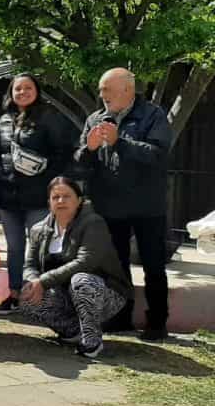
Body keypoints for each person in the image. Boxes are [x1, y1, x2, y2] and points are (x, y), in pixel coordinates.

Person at [73, 68, 172, 340]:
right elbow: (79, 163)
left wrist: (121, 143)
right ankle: (120, 317)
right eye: (101, 89)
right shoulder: (95, 118)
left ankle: (157, 323)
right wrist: (88, 150)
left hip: (147, 206)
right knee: (116, 267)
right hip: (109, 206)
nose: (101, 94)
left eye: (106, 89)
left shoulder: (152, 115)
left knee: (153, 265)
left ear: (127, 90)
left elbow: (158, 155)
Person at [17, 176, 132, 359]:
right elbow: (30, 265)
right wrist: (33, 282)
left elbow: (86, 261)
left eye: (67, 196)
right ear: (49, 202)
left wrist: (43, 281)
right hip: (63, 294)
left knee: (81, 280)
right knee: (26, 297)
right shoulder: (38, 229)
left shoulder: (93, 223)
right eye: (55, 197)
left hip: (104, 292)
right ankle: (73, 332)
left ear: (79, 200)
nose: (61, 201)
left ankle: (92, 341)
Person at [0, 73, 75, 313]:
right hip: (8, 196)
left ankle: (40, 297)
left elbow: (62, 153)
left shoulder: (48, 117)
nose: (23, 92)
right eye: (18, 89)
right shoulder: (4, 120)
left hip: (38, 196)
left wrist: (44, 176)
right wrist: (0, 175)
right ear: (11, 92)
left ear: (37, 91)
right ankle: (15, 294)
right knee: (14, 248)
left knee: (39, 248)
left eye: (28, 88)